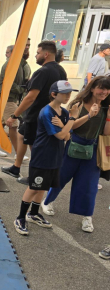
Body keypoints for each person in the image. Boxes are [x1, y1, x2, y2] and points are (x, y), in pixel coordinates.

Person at [42, 76, 110, 233]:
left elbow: (106, 134)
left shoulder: (106, 108)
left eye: (107, 89)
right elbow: (69, 127)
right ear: (92, 88)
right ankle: (47, 201)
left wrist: (108, 117)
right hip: (74, 144)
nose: (105, 92)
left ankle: (87, 216)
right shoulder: (78, 105)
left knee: (89, 184)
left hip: (93, 149)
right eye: (101, 88)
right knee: (61, 177)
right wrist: (89, 115)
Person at [13, 81, 76, 236]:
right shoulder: (47, 112)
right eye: (65, 93)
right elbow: (61, 135)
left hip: (56, 156)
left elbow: (67, 136)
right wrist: (71, 122)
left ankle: (33, 213)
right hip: (42, 156)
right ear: (54, 94)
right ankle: (20, 217)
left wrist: (64, 125)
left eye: (69, 93)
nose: (68, 96)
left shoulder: (64, 113)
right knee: (34, 186)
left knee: (44, 186)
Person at [2, 41, 67, 183]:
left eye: (38, 53)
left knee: (35, 147)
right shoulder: (61, 70)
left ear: (46, 54)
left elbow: (31, 97)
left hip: (37, 114)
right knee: (21, 135)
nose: (36, 56)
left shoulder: (43, 71)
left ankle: (35, 177)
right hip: (50, 112)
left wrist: (14, 115)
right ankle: (16, 167)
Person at [0, 45, 30, 157]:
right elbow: (10, 83)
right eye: (6, 52)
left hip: (8, 97)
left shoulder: (17, 64)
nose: (6, 55)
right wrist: (22, 89)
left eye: (8, 52)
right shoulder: (12, 64)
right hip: (8, 97)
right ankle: (18, 153)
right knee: (13, 125)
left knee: (0, 124)